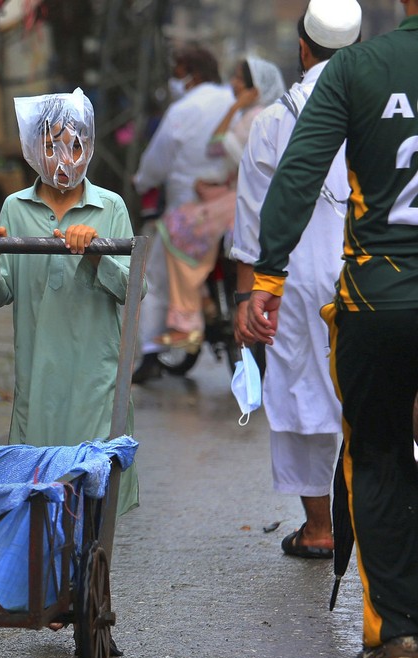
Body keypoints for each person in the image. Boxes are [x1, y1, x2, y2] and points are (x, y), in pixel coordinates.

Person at [248, 0, 418, 658]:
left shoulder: (357, 69)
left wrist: (267, 274)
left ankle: (396, 636)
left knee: (376, 455)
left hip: (377, 300)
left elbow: (297, 173)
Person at [0, 88, 140, 518]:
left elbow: (133, 290)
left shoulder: (110, 206)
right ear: (31, 149)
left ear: (90, 146)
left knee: (94, 496)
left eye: (75, 144)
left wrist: (97, 250)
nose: (65, 156)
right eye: (50, 145)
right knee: (37, 500)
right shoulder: (15, 207)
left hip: (95, 379)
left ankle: (85, 586)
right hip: (35, 380)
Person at [232, 0, 361, 560]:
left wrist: (246, 297)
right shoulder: (380, 107)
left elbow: (251, 221)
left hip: (290, 279)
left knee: (301, 388)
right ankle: (382, 523)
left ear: (303, 48)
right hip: (369, 271)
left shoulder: (273, 121)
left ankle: (319, 530)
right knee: (375, 395)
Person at [153, 55, 285, 350]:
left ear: (255, 86)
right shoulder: (248, 115)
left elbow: (244, 160)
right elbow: (216, 147)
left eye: (239, 79)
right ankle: (203, 302)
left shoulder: (259, 117)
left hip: (248, 200)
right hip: (235, 194)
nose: (233, 84)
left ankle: (188, 318)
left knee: (179, 228)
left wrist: (237, 108)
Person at [132, 46, 234, 381]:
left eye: (177, 72)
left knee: (155, 278)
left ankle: (149, 353)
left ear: (189, 72)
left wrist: (141, 181)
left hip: (188, 214)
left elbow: (155, 164)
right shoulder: (233, 100)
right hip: (234, 210)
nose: (175, 80)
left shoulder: (182, 110)